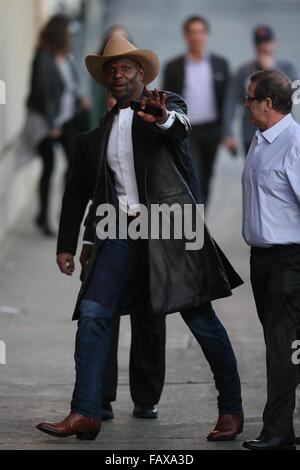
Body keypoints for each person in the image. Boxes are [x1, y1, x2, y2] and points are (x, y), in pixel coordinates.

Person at [36, 37, 243, 442]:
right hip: (122, 232)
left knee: (202, 321)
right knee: (94, 312)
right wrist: (80, 240)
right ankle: (86, 411)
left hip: (169, 231)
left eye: (126, 68)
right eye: (111, 70)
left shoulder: (165, 104)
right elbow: (95, 190)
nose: (118, 74)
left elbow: (178, 128)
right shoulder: (108, 125)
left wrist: (163, 116)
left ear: (142, 75)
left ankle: (231, 409)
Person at [56, 124, 166, 421]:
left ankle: (146, 398)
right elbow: (78, 193)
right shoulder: (90, 142)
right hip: (107, 238)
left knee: (150, 316)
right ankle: (99, 398)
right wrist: (71, 244)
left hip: (152, 238)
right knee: (100, 314)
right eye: (112, 87)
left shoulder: (154, 133)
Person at [241, 70, 300, 451]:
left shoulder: (294, 144)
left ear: (268, 103)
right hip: (262, 259)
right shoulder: (261, 139)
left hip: (289, 261)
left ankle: (278, 431)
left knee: (283, 347)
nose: (245, 104)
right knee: (283, 344)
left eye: (249, 98)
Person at [26, 14, 91, 236]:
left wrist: (79, 100)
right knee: (49, 166)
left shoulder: (65, 57)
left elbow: (68, 87)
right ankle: (43, 216)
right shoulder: (43, 57)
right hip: (46, 122)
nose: (71, 36)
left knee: (73, 167)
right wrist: (52, 123)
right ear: (59, 33)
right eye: (68, 32)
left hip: (67, 118)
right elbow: (43, 93)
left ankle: (66, 215)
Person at [163, 16, 230, 204]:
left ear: (206, 35)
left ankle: (201, 220)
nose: (196, 37)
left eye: (200, 32)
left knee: (207, 176)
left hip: (212, 131)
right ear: (186, 36)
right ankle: (193, 219)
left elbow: (227, 99)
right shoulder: (173, 66)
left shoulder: (220, 64)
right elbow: (167, 100)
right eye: (192, 32)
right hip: (186, 130)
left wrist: (226, 132)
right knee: (195, 176)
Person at [223, 25, 299, 157]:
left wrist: (271, 70)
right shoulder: (243, 72)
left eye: (267, 42)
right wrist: (228, 133)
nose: (264, 47)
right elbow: (231, 101)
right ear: (254, 45)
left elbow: (296, 97)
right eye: (260, 43)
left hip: (283, 134)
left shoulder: (289, 68)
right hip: (251, 135)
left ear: (274, 43)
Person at [90, 25, 132, 128]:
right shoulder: (99, 73)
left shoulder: (136, 72)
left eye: (122, 40)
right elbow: (96, 109)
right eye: (113, 41)